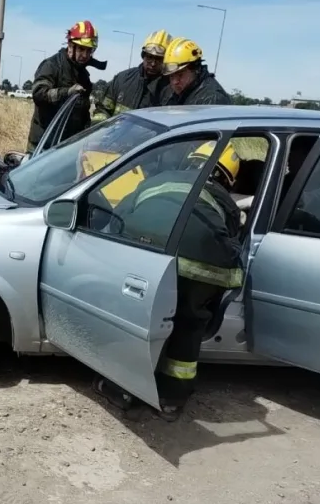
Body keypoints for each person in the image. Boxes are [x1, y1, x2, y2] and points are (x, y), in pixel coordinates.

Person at [93, 140, 246, 421]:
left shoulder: (160, 178)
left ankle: (122, 389)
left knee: (138, 322)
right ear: (226, 176)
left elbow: (121, 214)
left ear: (191, 161)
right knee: (189, 324)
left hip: (148, 255)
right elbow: (233, 239)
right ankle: (172, 398)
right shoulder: (224, 197)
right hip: (201, 269)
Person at [27, 20, 108, 153]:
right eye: (82, 49)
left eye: (89, 51)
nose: (86, 55)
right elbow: (39, 94)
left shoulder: (83, 75)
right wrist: (66, 92)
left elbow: (83, 112)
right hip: (42, 146)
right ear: (70, 45)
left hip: (67, 148)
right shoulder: (52, 65)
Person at [92, 29, 171, 122]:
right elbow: (102, 110)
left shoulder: (170, 91)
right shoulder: (122, 79)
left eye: (158, 59)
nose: (153, 63)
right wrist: (102, 133)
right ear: (143, 55)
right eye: (150, 57)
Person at [159, 38, 231, 106]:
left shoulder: (212, 99)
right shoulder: (173, 94)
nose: (175, 82)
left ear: (195, 69)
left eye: (180, 75)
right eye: (171, 76)